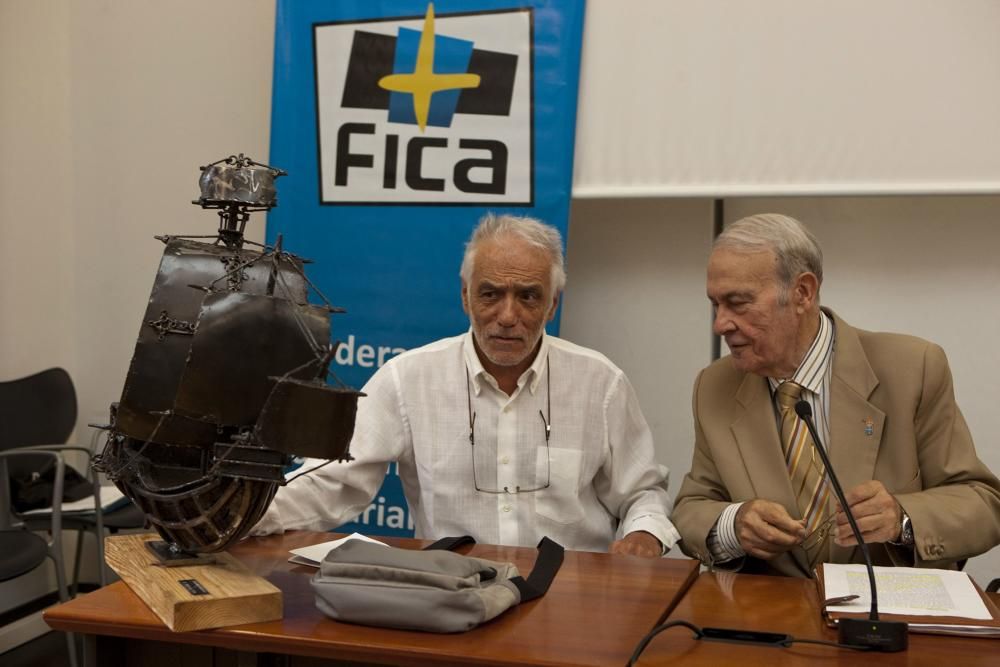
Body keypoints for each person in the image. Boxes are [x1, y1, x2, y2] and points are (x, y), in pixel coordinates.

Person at [253, 213, 680, 557]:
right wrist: (239, 518)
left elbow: (641, 493)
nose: (508, 315)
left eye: (528, 296)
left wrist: (645, 535)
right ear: (464, 297)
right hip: (451, 595)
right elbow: (331, 481)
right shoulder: (408, 380)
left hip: (571, 598)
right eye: (490, 294)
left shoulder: (600, 383)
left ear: (552, 304)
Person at [672, 213, 1000, 577]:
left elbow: (983, 504)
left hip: (885, 610)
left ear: (803, 292)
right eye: (715, 304)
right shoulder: (715, 385)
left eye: (738, 302)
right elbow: (691, 508)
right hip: (770, 616)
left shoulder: (912, 369)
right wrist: (733, 524)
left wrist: (902, 518)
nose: (720, 324)